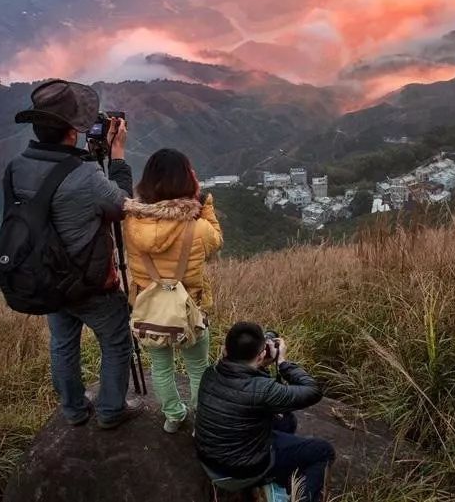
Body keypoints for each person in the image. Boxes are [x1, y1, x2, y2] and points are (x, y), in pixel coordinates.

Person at [9, 79, 141, 430]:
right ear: (72, 131)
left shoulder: (18, 166)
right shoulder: (85, 175)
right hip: (87, 280)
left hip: (46, 276)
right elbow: (122, 206)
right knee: (116, 339)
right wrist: (117, 155)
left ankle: (73, 410)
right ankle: (111, 411)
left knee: (63, 343)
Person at [123, 148, 223, 433]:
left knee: (161, 367)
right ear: (186, 180)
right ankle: (201, 421)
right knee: (197, 368)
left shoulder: (131, 223)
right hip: (190, 308)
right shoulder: (198, 227)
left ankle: (173, 416)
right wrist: (206, 205)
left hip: (148, 308)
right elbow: (216, 241)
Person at [196, 322, 335, 502]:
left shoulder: (210, 373)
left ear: (225, 349)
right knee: (324, 451)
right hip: (242, 472)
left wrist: (259, 366)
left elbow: (246, 392)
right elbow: (313, 391)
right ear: (261, 355)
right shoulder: (263, 390)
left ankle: (270, 479)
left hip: (209, 462)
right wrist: (283, 363)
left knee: (287, 422)